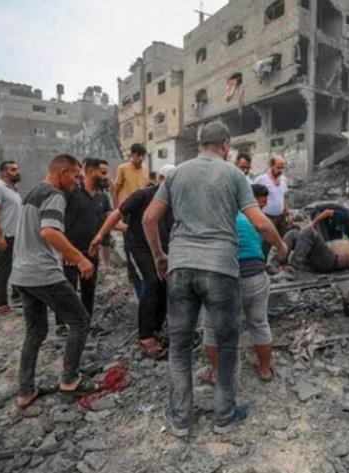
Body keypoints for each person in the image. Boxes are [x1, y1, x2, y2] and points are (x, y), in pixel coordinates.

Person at [142, 122, 287, 437]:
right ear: (225, 144)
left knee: (180, 347)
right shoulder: (234, 175)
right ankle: (224, 417)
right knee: (227, 344)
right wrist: (281, 245)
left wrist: (160, 256)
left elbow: (149, 218)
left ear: (199, 143)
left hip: (180, 267)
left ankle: (180, 420)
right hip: (220, 269)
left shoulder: (177, 174)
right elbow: (261, 223)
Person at [11, 154, 99, 409]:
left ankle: (25, 390)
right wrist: (79, 258)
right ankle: (70, 379)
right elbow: (49, 231)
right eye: (75, 176)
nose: (77, 182)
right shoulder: (54, 195)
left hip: (22, 274)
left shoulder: (32, 193)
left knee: (36, 331)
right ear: (62, 172)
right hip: (43, 273)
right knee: (80, 321)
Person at [90, 164, 176, 360]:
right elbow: (116, 214)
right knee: (149, 284)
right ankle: (145, 336)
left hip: (162, 251)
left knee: (164, 286)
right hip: (139, 249)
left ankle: (156, 327)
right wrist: (100, 236)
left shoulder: (178, 200)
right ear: (160, 180)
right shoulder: (142, 196)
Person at [202, 183, 274, 384]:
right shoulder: (251, 218)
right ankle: (265, 369)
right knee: (259, 323)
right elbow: (259, 244)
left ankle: (219, 373)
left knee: (212, 327)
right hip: (254, 277)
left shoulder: (211, 219)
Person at [55, 159, 112, 336]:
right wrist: (65, 250)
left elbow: (111, 220)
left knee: (89, 289)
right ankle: (62, 324)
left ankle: (86, 321)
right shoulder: (72, 193)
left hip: (91, 251)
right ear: (91, 171)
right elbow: (59, 221)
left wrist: (131, 227)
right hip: (71, 252)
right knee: (68, 289)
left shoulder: (102, 197)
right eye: (103, 173)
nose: (106, 177)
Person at [0, 160, 22, 316]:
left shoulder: (13, 190)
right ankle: (2, 304)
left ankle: (17, 294)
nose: (17, 172)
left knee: (17, 266)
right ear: (3, 173)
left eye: (17, 169)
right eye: (13, 169)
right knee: (4, 269)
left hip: (17, 236)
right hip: (6, 236)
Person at [254, 155, 290, 258]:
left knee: (284, 242)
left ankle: (281, 262)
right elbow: (253, 195)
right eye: (278, 167)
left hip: (281, 217)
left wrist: (288, 213)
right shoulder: (261, 179)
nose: (280, 170)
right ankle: (262, 262)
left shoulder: (284, 180)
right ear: (271, 166)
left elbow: (284, 197)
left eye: (282, 167)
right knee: (265, 244)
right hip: (267, 217)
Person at [112, 143, 149, 209]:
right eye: (138, 155)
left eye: (143, 156)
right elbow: (116, 190)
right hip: (125, 207)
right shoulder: (123, 168)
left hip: (140, 207)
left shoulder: (146, 170)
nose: (141, 158)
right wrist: (115, 209)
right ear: (132, 155)